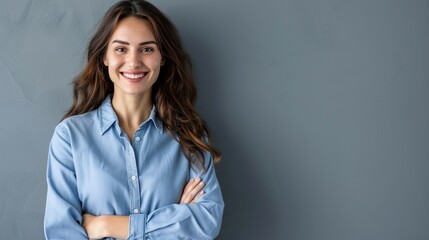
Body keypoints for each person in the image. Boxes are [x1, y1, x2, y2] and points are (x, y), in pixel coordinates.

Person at [43, 0, 224, 239]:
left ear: (163, 58)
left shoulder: (189, 135)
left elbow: (207, 220)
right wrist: (174, 219)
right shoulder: (70, 137)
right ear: (105, 57)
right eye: (121, 49)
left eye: (147, 49)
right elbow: (61, 233)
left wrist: (107, 226)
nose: (133, 61)